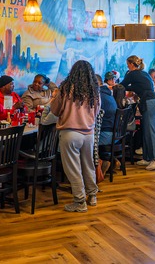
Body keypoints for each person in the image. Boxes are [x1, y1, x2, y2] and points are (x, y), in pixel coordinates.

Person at [50, 60, 100, 212]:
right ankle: (92, 196)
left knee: (73, 168)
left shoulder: (65, 89)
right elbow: (97, 111)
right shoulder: (94, 89)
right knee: (88, 165)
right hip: (89, 133)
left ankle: (79, 201)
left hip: (70, 133)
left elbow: (55, 110)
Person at [120, 55, 155, 170]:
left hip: (148, 103)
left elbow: (121, 86)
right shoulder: (144, 74)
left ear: (131, 64)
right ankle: (147, 158)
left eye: (128, 64)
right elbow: (137, 87)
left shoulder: (132, 74)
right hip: (153, 103)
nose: (127, 67)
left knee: (150, 131)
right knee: (146, 131)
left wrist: (110, 87)